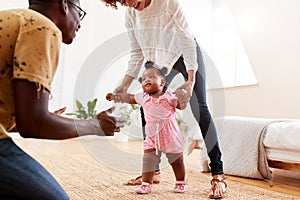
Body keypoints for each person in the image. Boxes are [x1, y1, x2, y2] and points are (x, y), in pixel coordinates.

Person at [100, 0, 227, 198]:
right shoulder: (131, 15)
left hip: (184, 53)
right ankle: (153, 171)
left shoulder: (168, 3)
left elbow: (185, 38)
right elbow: (136, 53)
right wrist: (124, 85)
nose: (129, 5)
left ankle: (218, 173)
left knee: (199, 107)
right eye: (122, 2)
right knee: (147, 106)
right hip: (158, 61)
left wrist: (191, 80)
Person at [0, 0, 125, 199]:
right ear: (64, 4)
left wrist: (34, 116)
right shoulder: (41, 26)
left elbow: (24, 120)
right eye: (80, 13)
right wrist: (97, 125)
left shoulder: (13, 18)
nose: (80, 23)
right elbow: (33, 124)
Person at [106, 64, 187, 194]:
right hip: (152, 137)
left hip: (170, 136)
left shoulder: (169, 96)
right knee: (148, 160)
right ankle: (146, 184)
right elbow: (130, 98)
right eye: (144, 79)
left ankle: (180, 182)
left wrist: (182, 98)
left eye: (151, 77)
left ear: (162, 83)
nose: (147, 80)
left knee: (177, 161)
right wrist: (116, 97)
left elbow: (180, 106)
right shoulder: (142, 97)